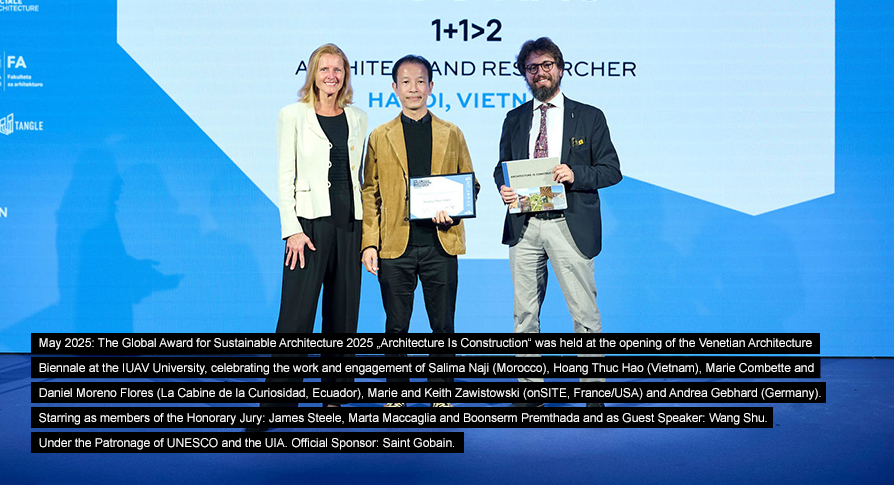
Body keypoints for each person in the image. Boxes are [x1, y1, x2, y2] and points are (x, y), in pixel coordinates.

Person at [493, 37, 622, 408]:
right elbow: (502, 167)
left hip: (570, 224)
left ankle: (593, 390)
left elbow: (611, 170)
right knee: (524, 314)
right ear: (525, 74)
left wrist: (575, 174)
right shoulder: (514, 119)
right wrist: (503, 186)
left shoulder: (589, 116)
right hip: (525, 224)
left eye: (546, 65)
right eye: (532, 68)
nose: (540, 73)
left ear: (560, 69)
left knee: (584, 313)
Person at [247, 44, 367, 432]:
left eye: (338, 69)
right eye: (324, 69)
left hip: (350, 225)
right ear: (313, 73)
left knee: (343, 317)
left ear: (346, 75)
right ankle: (278, 402)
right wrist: (292, 229)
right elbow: (285, 176)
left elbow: (358, 175)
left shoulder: (359, 118)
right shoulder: (292, 115)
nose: (332, 75)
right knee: (296, 318)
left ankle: (334, 397)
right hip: (308, 228)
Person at [361, 55, 478, 408]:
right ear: (394, 88)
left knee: (443, 327)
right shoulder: (379, 136)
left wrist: (454, 212)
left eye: (420, 81)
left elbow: (470, 184)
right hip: (394, 245)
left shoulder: (451, 132)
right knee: (396, 327)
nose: (414, 88)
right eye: (406, 82)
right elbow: (370, 193)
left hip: (440, 245)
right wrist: (369, 244)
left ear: (431, 87)